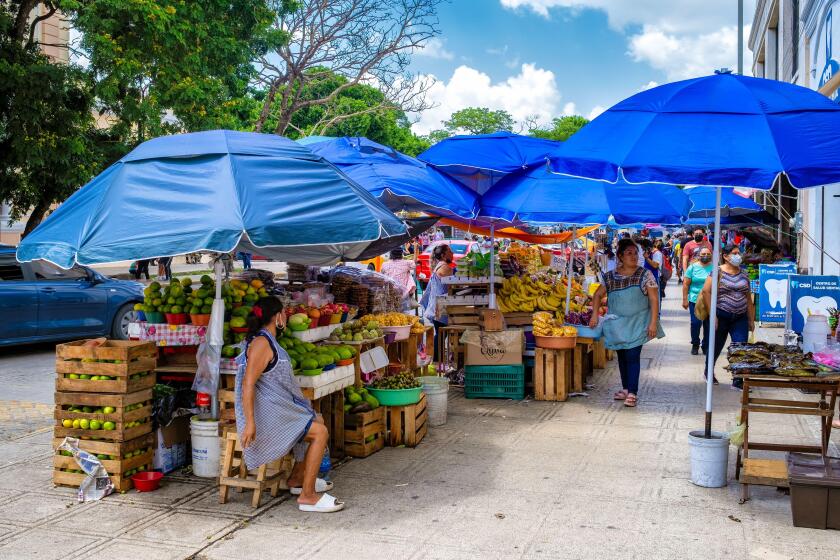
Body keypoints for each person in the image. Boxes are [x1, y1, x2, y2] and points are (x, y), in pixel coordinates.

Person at [236, 297, 344, 513]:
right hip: (266, 414)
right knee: (319, 433)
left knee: (317, 419)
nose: (285, 316)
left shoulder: (265, 340)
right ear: (277, 317)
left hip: (276, 407)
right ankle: (308, 496)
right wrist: (249, 423)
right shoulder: (261, 344)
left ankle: (296, 479)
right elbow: (248, 384)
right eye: (283, 313)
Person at [589, 238, 664, 407]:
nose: (634, 256)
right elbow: (597, 295)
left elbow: (653, 299)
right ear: (620, 256)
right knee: (622, 355)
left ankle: (632, 392)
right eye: (629, 253)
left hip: (639, 323)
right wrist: (594, 315)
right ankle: (625, 388)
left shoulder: (645, 274)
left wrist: (653, 322)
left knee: (632, 355)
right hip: (617, 325)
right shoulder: (610, 277)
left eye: (635, 253)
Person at [700, 244, 755, 389]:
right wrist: (713, 316)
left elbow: (748, 297)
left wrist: (751, 318)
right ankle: (708, 371)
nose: (738, 256)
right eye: (734, 253)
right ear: (725, 256)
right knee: (716, 346)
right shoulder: (717, 272)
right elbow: (706, 292)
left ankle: (737, 379)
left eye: (739, 253)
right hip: (721, 315)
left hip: (740, 317)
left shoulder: (744, 274)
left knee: (740, 347)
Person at [419, 244, 454, 361]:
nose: (452, 253)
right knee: (441, 334)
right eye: (450, 251)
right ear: (444, 255)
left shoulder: (439, 265)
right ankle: (436, 360)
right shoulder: (444, 267)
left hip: (438, 304)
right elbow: (451, 285)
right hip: (441, 305)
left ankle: (436, 358)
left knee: (440, 333)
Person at [682, 247, 713, 357]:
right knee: (695, 323)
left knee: (708, 324)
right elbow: (686, 284)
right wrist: (685, 299)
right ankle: (695, 343)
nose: (705, 255)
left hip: (710, 300)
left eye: (708, 254)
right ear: (699, 255)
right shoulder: (692, 267)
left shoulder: (715, 268)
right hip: (695, 300)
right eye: (703, 253)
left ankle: (706, 345)